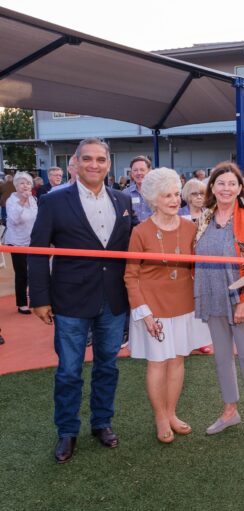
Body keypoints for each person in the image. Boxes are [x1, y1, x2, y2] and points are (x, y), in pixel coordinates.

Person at [28, 137, 136, 464]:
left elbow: (135, 245)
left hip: (113, 300)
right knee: (69, 371)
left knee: (108, 366)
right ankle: (67, 430)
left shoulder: (123, 200)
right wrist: (40, 298)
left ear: (108, 163)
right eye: (87, 158)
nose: (94, 164)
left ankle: (101, 422)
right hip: (70, 300)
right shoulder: (53, 202)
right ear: (75, 163)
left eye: (100, 159)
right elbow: (36, 253)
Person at [124, 167, 211, 443]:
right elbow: (131, 275)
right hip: (153, 309)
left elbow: (200, 267)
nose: (174, 200)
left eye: (176, 194)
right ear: (153, 199)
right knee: (158, 363)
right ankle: (160, 416)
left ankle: (172, 413)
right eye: (166, 196)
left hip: (184, 306)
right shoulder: (140, 231)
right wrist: (144, 313)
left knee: (177, 361)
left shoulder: (191, 227)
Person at [194, 161, 244, 447]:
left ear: (241, 188)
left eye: (232, 183)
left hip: (242, 299)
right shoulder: (204, 217)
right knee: (221, 357)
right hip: (212, 296)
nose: (226, 188)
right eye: (220, 183)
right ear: (212, 188)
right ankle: (230, 411)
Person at [179, 178, 213, 354]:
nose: (199, 197)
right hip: (183, 266)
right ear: (187, 196)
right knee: (184, 303)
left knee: (201, 303)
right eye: (195, 193)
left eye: (202, 193)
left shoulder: (210, 214)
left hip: (205, 266)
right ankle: (183, 339)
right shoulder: (178, 214)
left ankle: (201, 340)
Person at [5, 172, 38, 315]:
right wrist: (22, 202)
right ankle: (22, 303)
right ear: (16, 186)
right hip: (17, 242)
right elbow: (14, 220)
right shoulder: (11, 201)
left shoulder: (33, 199)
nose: (25, 186)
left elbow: (37, 218)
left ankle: (36, 300)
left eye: (28, 183)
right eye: (22, 183)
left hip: (32, 241)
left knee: (35, 271)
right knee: (22, 273)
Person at [125, 155, 153, 223]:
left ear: (149, 171)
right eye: (135, 170)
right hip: (133, 232)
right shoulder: (125, 194)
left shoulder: (159, 192)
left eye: (142, 170)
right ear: (131, 173)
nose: (139, 173)